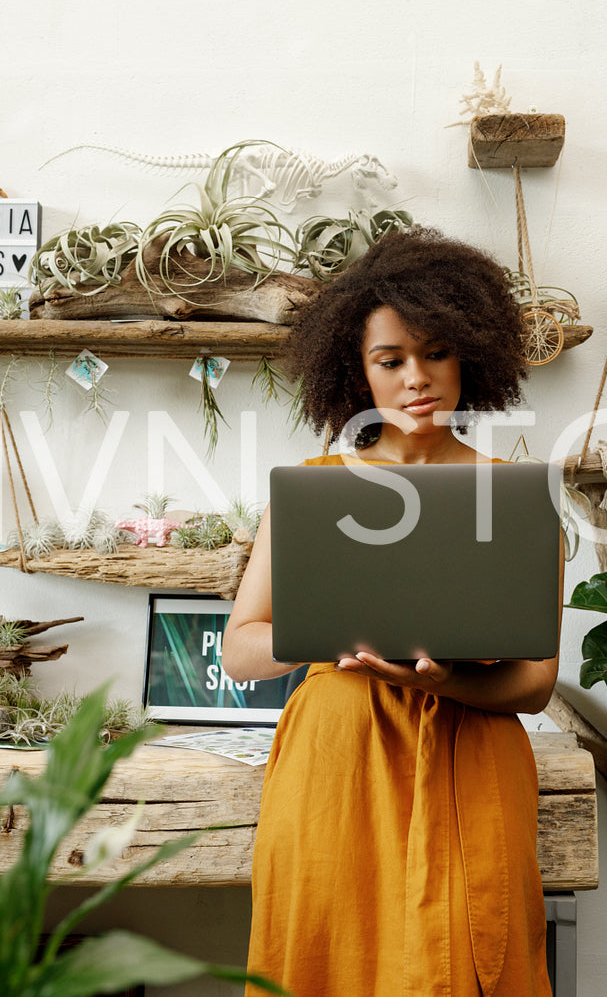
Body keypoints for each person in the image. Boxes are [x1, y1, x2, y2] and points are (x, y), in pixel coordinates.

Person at [223, 227, 561, 996]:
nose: (417, 377)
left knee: (470, 961)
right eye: (390, 360)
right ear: (356, 369)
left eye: (436, 351)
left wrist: (441, 683)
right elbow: (240, 649)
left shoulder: (513, 497)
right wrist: (337, 629)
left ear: (470, 353)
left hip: (469, 761)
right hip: (335, 765)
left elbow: (536, 682)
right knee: (324, 961)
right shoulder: (314, 489)